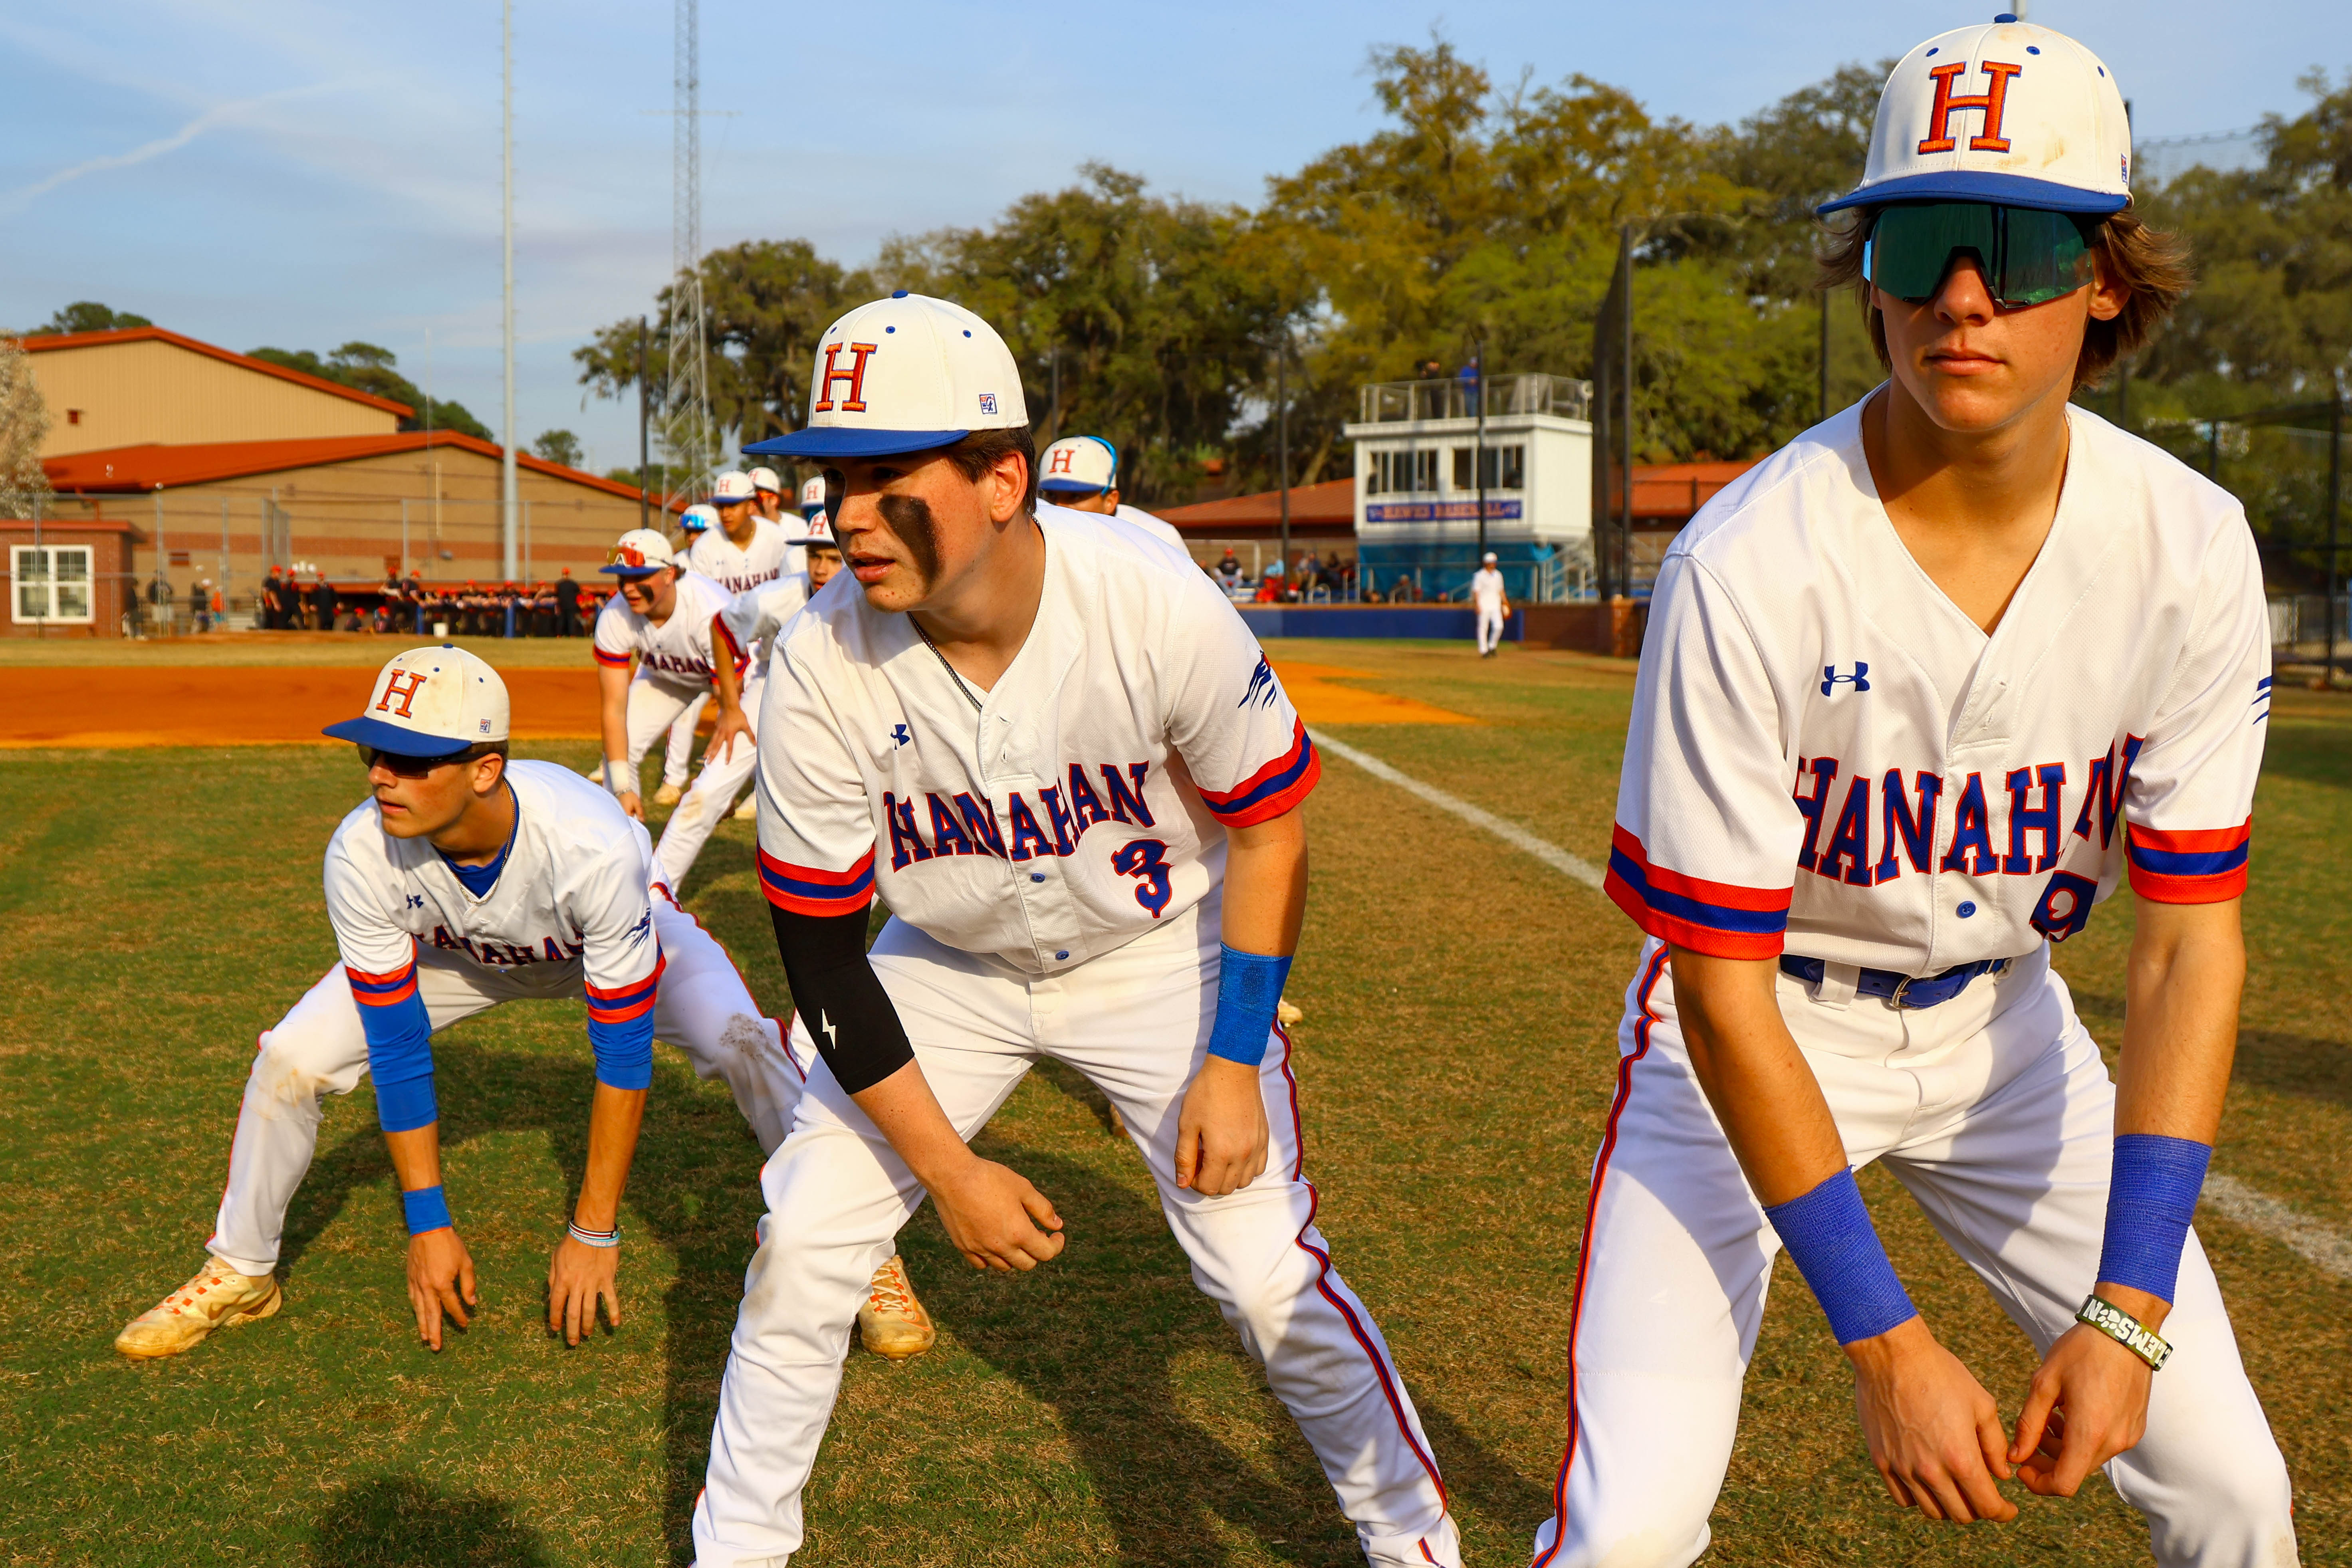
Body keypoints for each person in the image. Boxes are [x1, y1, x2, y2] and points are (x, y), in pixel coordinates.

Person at [1530, 20, 2294, 1567]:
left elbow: (2181, 945)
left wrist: (2128, 1308)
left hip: (2008, 1036)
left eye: (2012, 245)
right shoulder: (1745, 562)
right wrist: (1881, 1344)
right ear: (1866, 265)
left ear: (2100, 275)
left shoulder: (2188, 547)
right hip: (1747, 1034)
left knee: (2233, 1495)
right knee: (1624, 1529)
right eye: (1924, 234)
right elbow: (1719, 984)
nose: (1960, 294)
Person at [693, 291, 1458, 1566]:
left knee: (1262, 1275)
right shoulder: (820, 664)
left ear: (1002, 478)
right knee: (803, 1240)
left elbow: (1268, 831)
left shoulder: (1152, 605)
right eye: (834, 481)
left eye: (887, 477)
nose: (849, 517)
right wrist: (949, 1171)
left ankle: (1415, 1543)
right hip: (942, 964)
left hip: (1160, 952)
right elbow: (823, 955)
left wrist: (1230, 1057)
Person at [109, 646, 915, 1362]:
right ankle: (243, 1267)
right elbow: (396, 1044)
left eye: (410, 757)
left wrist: (593, 1230)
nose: (380, 774)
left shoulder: (589, 842)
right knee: (291, 1057)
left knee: (745, 1044)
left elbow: (623, 1052)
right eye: (372, 752)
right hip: (459, 953)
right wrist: (427, 1222)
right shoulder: (362, 848)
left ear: (485, 768)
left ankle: (863, 1254)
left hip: (612, 937)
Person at [653, 513, 841, 890]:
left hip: (845, 692)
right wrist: (731, 707)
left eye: (834, 558)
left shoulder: (878, 596)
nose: (821, 568)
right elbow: (722, 629)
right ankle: (654, 889)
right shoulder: (779, 596)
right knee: (709, 788)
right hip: (776, 682)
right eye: (814, 556)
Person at [1035, 433, 1186, 549]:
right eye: (1051, 496)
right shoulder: (1037, 531)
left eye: (1075, 496)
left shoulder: (1158, 539)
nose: (1059, 506)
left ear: (1110, 502)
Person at [688, 472, 795, 597]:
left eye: (732, 506)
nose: (725, 514)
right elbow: (702, 602)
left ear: (750, 506)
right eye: (720, 507)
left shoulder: (777, 537)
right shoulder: (704, 547)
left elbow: (791, 591)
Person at [1470, 551, 1508, 656]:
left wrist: (1505, 602)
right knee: (1483, 628)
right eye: (1491, 562)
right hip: (1484, 605)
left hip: (1496, 605)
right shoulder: (1479, 576)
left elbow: (1501, 590)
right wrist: (1477, 605)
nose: (1493, 564)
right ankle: (1484, 650)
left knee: (1499, 627)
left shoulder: (1498, 575)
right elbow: (1476, 591)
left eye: (1494, 562)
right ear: (1486, 563)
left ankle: (1492, 646)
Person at [555, 568, 582, 638]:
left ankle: (564, 634)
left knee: (567, 620)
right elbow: (578, 592)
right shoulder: (573, 584)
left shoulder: (559, 584)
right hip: (568, 605)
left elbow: (557, 594)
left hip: (566, 605)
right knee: (567, 620)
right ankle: (567, 634)